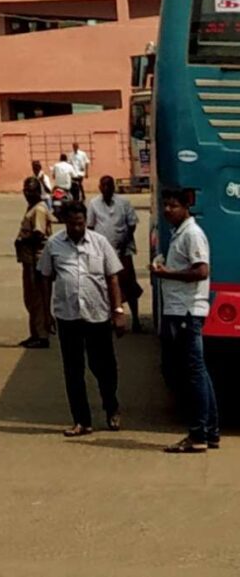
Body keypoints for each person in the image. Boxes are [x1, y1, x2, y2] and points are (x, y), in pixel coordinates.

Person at [39, 201, 127, 437]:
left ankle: (112, 407)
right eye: (72, 224)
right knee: (73, 370)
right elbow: (46, 278)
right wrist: (46, 314)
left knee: (104, 368)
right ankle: (81, 420)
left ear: (85, 221)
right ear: (65, 223)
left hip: (97, 315)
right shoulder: (54, 245)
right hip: (68, 316)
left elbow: (113, 278)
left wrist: (118, 311)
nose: (77, 228)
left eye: (80, 223)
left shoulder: (100, 243)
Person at [152, 188, 220, 454]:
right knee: (198, 373)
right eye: (166, 205)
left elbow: (201, 271)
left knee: (192, 374)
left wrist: (167, 273)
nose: (168, 210)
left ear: (186, 207)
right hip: (180, 310)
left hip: (187, 312)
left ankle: (197, 435)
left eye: (173, 206)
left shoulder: (192, 234)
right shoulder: (178, 233)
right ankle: (210, 432)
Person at [87, 176, 143, 332]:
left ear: (113, 188)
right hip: (102, 252)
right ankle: (111, 318)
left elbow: (132, 224)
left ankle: (136, 319)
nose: (106, 189)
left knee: (129, 284)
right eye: (103, 186)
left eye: (109, 186)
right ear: (99, 187)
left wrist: (122, 244)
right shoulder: (93, 204)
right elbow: (90, 227)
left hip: (124, 251)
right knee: (106, 286)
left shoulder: (123, 203)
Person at [15, 177, 55, 348]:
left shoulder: (39, 209)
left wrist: (22, 241)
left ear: (38, 192)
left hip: (36, 260)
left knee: (37, 297)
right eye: (25, 189)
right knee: (30, 298)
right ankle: (34, 333)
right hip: (28, 259)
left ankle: (42, 335)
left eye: (31, 190)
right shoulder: (31, 207)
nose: (27, 193)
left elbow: (38, 234)